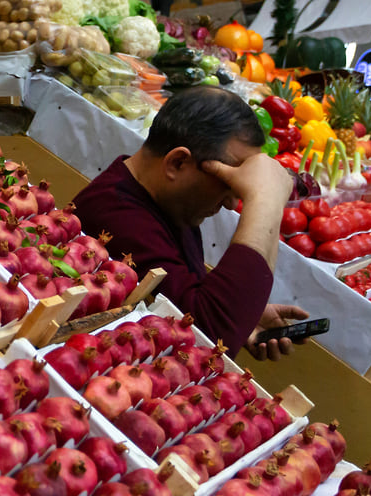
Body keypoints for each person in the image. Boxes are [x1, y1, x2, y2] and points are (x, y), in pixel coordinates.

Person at [72, 85, 307, 361]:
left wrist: (243, 311)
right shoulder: (114, 216)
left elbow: (189, 304)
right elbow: (208, 338)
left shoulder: (167, 203)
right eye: (228, 182)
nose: (232, 203)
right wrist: (264, 202)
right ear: (177, 163)